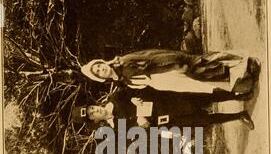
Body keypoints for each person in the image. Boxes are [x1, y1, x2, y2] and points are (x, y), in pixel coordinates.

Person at [81, 49, 261, 95]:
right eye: (98, 72)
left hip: (169, 66)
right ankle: (243, 77)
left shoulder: (125, 62)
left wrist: (175, 63)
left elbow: (152, 57)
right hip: (168, 80)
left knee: (205, 64)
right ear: (100, 78)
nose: (101, 69)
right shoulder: (124, 81)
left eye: (99, 66)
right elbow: (149, 83)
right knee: (206, 78)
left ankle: (246, 64)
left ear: (102, 62)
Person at [72, 86, 255, 130]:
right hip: (166, 120)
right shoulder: (117, 128)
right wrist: (142, 124)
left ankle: (238, 95)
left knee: (203, 98)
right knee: (204, 120)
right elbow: (143, 133)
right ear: (94, 121)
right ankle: (240, 115)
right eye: (92, 115)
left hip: (166, 102)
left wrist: (137, 100)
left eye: (93, 108)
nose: (96, 111)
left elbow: (142, 89)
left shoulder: (116, 97)